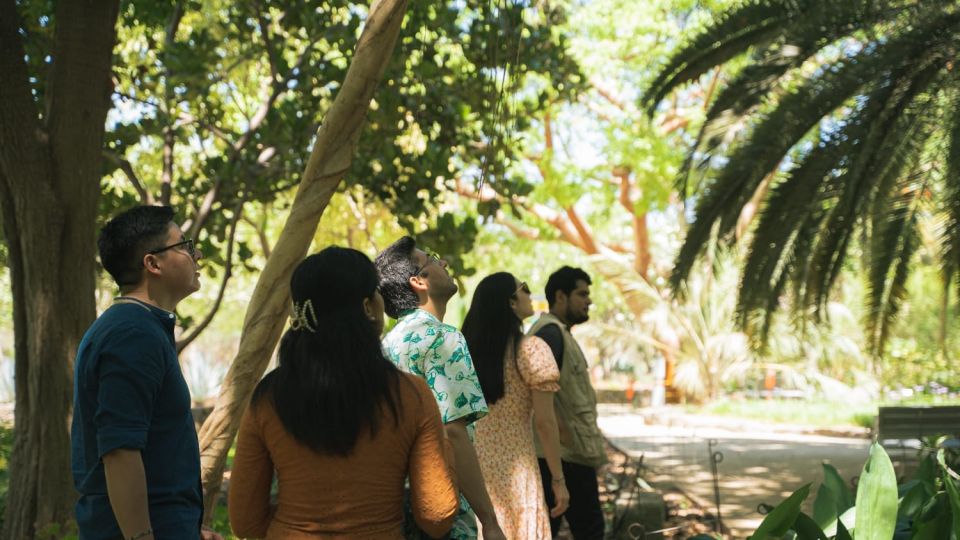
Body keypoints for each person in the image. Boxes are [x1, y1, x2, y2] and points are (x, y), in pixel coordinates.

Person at [228, 246, 458, 539]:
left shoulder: (268, 399)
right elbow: (436, 517)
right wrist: (445, 446)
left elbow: (245, 522)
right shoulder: (411, 395)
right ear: (366, 307)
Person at [71, 205, 222, 540]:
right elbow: (120, 450)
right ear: (152, 263)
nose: (196, 254)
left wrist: (188, 528)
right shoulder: (132, 334)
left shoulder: (138, 327)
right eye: (183, 245)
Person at [376, 237, 506, 540]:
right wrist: (490, 521)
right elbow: (454, 433)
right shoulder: (443, 339)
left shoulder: (386, 344)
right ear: (418, 281)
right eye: (433, 258)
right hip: (442, 508)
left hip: (396, 507)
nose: (444, 263)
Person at [461, 272, 570, 539]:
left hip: (473, 474)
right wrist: (558, 480)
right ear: (510, 303)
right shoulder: (531, 350)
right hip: (518, 477)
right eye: (525, 289)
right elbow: (545, 423)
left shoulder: (463, 352)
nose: (530, 295)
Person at [530, 267, 607, 539]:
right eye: (581, 294)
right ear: (560, 296)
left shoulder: (559, 333)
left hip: (568, 456)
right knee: (589, 531)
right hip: (564, 458)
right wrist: (566, 437)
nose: (588, 301)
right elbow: (538, 398)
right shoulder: (550, 335)